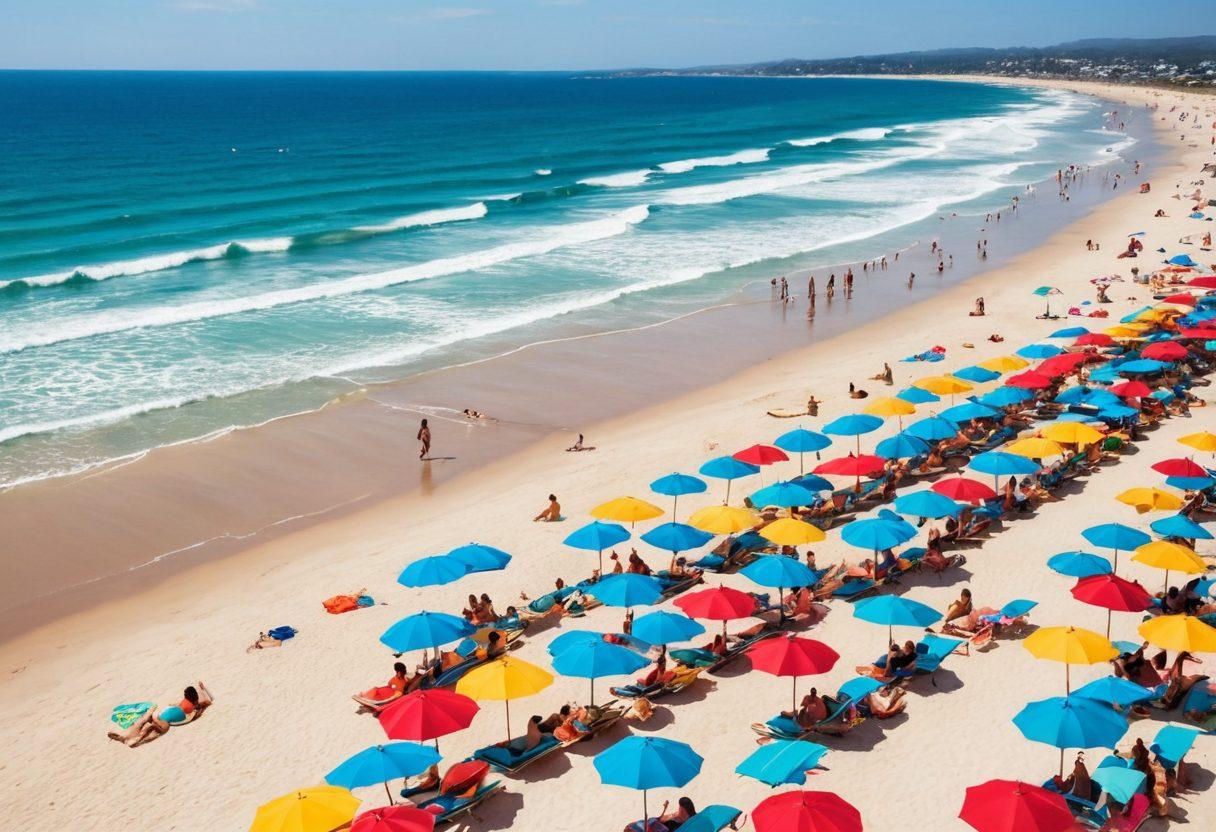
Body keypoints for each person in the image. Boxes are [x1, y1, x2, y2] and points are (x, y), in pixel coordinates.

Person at [108, 682, 214, 747]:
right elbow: (209, 701)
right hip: (165, 720)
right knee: (152, 728)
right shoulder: (193, 706)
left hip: (161, 716)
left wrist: (201, 688)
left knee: (144, 721)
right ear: (195, 698)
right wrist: (203, 689)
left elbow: (175, 706)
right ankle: (134, 739)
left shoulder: (184, 702)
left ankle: (126, 736)